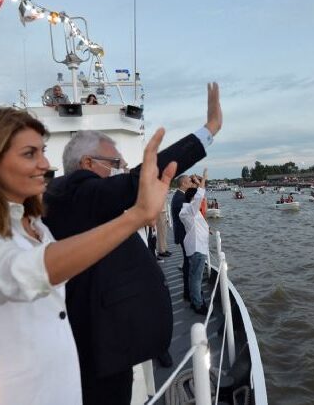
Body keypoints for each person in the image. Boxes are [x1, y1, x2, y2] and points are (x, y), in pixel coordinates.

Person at [0, 107, 176, 405]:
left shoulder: (36, 226)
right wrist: (136, 216)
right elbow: (17, 274)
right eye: (29, 154)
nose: (45, 164)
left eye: (43, 152)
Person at [43, 82, 222, 405]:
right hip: (102, 349)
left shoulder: (77, 198)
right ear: (87, 164)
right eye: (115, 164)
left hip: (106, 342)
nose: (122, 171)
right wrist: (208, 131)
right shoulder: (79, 191)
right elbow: (139, 179)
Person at [179, 169, 210, 315]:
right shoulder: (189, 211)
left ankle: (194, 300)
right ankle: (198, 305)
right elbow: (199, 196)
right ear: (193, 201)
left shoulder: (189, 212)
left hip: (195, 247)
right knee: (196, 278)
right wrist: (203, 180)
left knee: (193, 277)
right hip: (198, 248)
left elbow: (198, 224)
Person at [171, 173, 195, 302]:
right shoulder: (180, 199)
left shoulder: (180, 196)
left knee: (188, 262)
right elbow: (189, 215)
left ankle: (188, 290)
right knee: (188, 263)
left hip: (183, 234)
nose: (191, 184)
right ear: (184, 184)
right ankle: (187, 292)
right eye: (189, 182)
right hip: (184, 235)